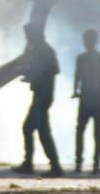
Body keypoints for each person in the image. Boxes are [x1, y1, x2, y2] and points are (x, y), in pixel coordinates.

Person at [12, 22, 65, 177]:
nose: (27, 39)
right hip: (41, 95)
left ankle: (55, 166)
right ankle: (31, 163)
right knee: (29, 128)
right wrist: (29, 74)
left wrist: (32, 74)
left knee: (42, 131)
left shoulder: (45, 51)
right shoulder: (40, 50)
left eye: (28, 36)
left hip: (43, 96)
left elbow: (53, 70)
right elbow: (40, 71)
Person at [72, 28, 100, 174]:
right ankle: (95, 164)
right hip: (97, 99)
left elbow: (77, 77)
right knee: (97, 132)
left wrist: (75, 91)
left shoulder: (81, 58)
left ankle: (79, 161)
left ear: (85, 42)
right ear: (96, 41)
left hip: (86, 98)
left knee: (80, 130)